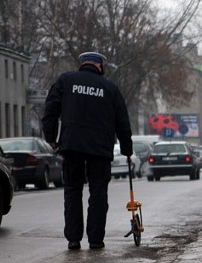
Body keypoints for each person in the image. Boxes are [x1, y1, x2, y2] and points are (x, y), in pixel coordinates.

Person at [42, 52, 133, 250]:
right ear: (100, 66)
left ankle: (74, 239)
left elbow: (50, 110)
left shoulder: (66, 81)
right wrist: (126, 148)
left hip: (72, 146)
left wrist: (51, 138)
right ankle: (96, 239)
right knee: (98, 193)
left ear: (82, 65)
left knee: (73, 191)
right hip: (100, 149)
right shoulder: (110, 88)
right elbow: (122, 121)